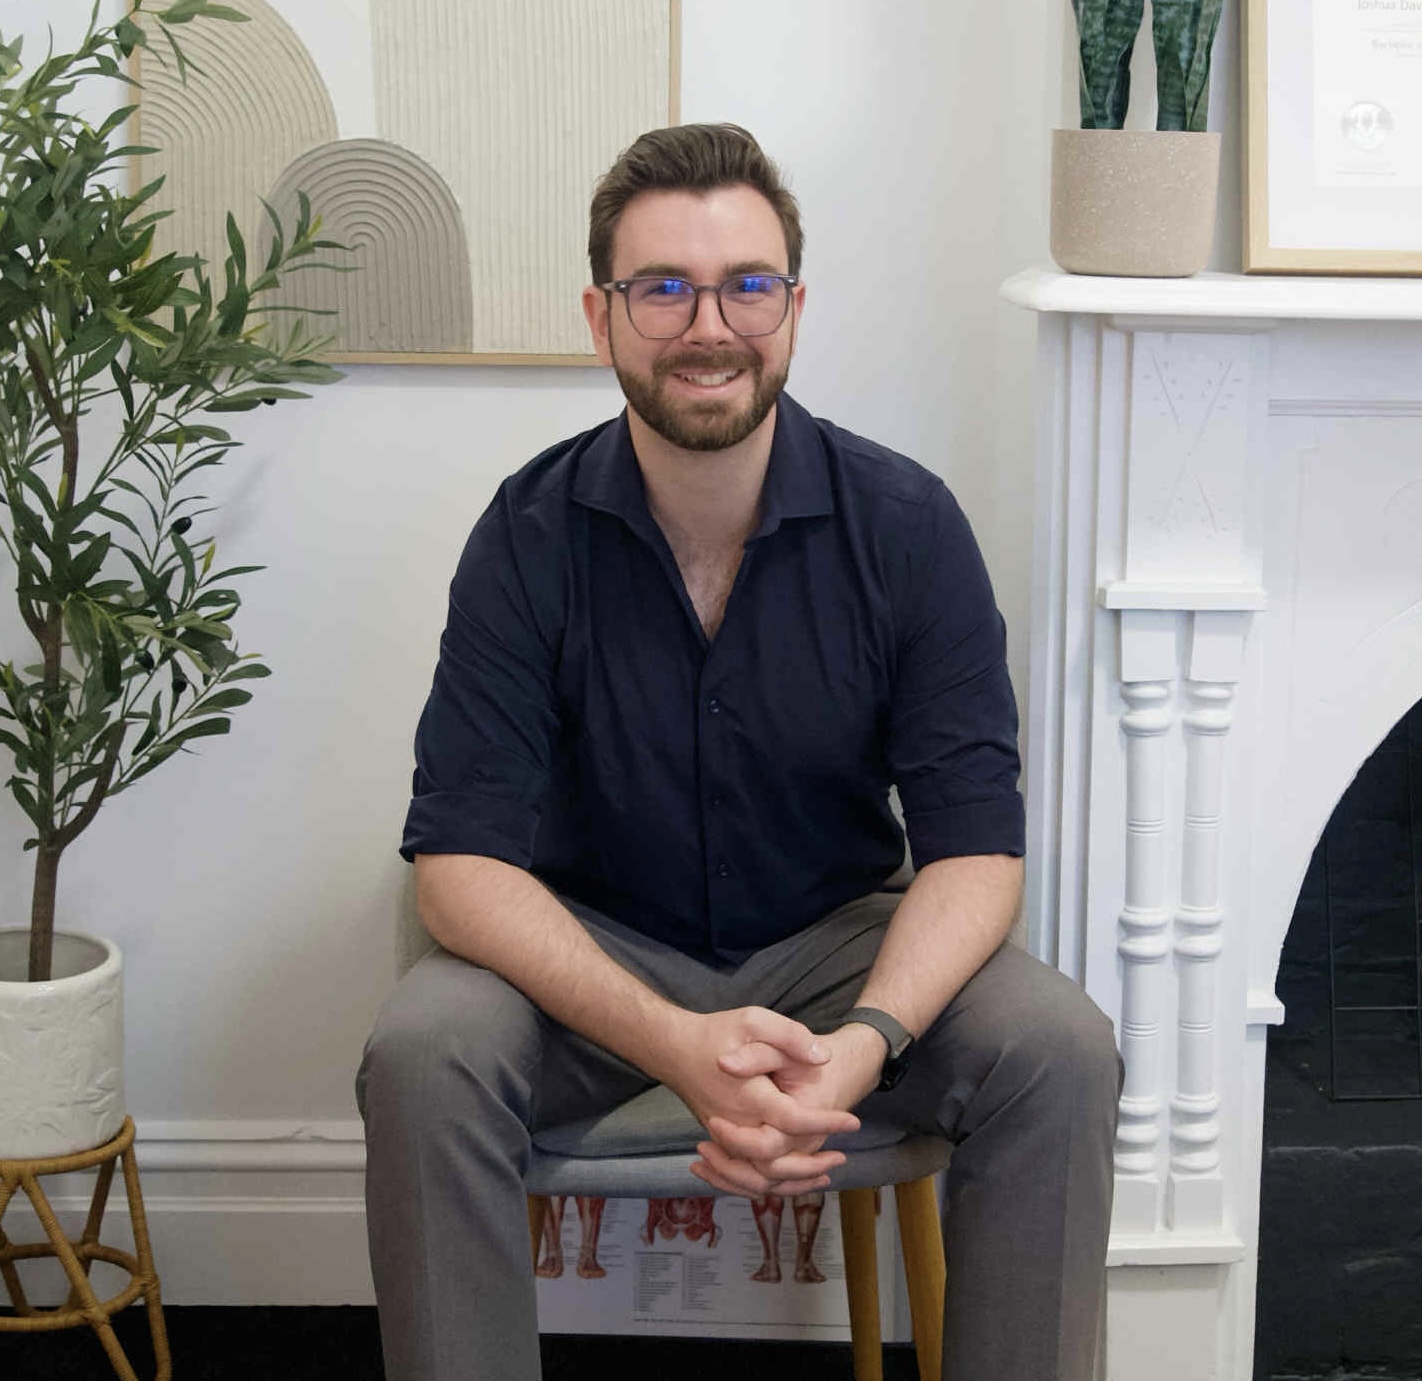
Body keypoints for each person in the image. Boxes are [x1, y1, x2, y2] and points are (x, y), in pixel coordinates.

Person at [356, 122, 1121, 1381]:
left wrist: (863, 1046)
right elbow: (460, 868)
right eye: (663, 288)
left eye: (746, 286)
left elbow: (978, 850)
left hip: (839, 948)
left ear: (794, 311)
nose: (709, 326)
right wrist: (677, 1045)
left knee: (1060, 1049)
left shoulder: (909, 527)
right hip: (595, 953)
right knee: (423, 1055)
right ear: (601, 319)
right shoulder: (527, 533)